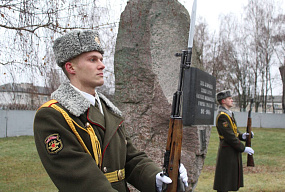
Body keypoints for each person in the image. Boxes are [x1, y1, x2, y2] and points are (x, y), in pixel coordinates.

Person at [33, 30, 188, 192]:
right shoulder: (54, 115)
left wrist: (157, 178)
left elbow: (130, 158)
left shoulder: (109, 111)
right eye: (92, 59)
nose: (102, 65)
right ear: (70, 67)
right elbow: (83, 180)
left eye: (101, 58)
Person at [213, 90, 254, 192]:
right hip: (227, 151)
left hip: (231, 150)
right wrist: (243, 148)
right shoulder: (223, 116)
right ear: (223, 101)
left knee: (229, 180)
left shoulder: (229, 114)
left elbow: (234, 132)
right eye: (229, 98)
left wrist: (243, 136)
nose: (232, 100)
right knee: (224, 182)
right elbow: (229, 136)